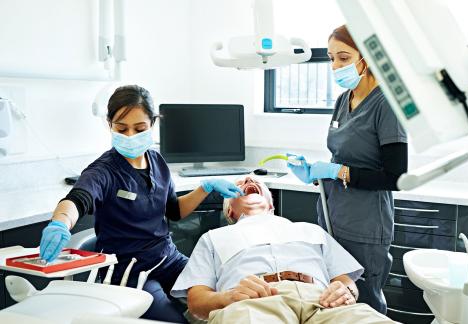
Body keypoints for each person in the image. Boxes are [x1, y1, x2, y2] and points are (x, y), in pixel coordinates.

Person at [38, 85, 244, 323]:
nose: (130, 136)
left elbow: (174, 211)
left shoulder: (156, 160)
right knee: (176, 320)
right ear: (110, 125)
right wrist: (60, 223)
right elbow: (77, 199)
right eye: (121, 128)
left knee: (222, 295)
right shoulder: (104, 170)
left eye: (139, 128)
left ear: (152, 124)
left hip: (168, 258)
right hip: (129, 271)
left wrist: (204, 188)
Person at [287, 25, 408, 315]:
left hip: (365, 223)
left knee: (362, 301)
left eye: (343, 58)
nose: (335, 66)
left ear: (367, 58)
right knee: (333, 298)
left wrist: (335, 171)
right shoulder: (345, 99)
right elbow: (344, 153)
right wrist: (316, 171)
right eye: (331, 58)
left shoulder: (387, 104)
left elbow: (396, 176)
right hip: (331, 215)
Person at [170, 176, 397, 324]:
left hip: (322, 302)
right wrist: (228, 297)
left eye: (257, 184)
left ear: (271, 205)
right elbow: (196, 302)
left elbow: (345, 282)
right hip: (254, 304)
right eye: (240, 185)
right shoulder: (213, 238)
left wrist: (346, 292)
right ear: (229, 212)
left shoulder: (311, 230)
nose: (249, 179)